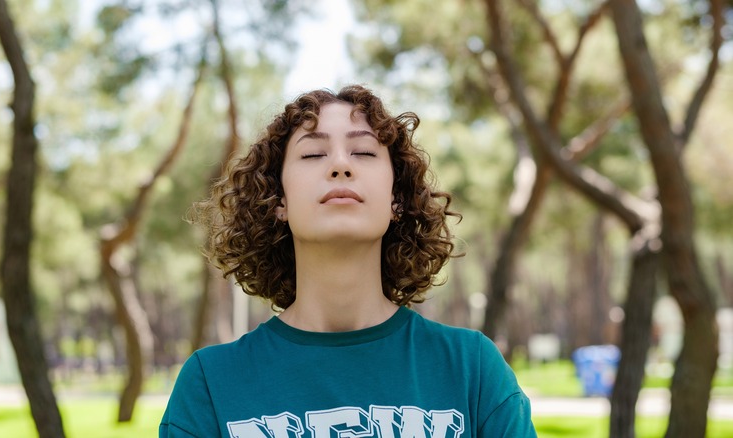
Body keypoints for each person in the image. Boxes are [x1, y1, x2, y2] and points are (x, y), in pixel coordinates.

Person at [160, 85, 537, 437]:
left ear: (396, 200)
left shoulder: (472, 369)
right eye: (312, 154)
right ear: (279, 202)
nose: (340, 165)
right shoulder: (211, 382)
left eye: (363, 152)